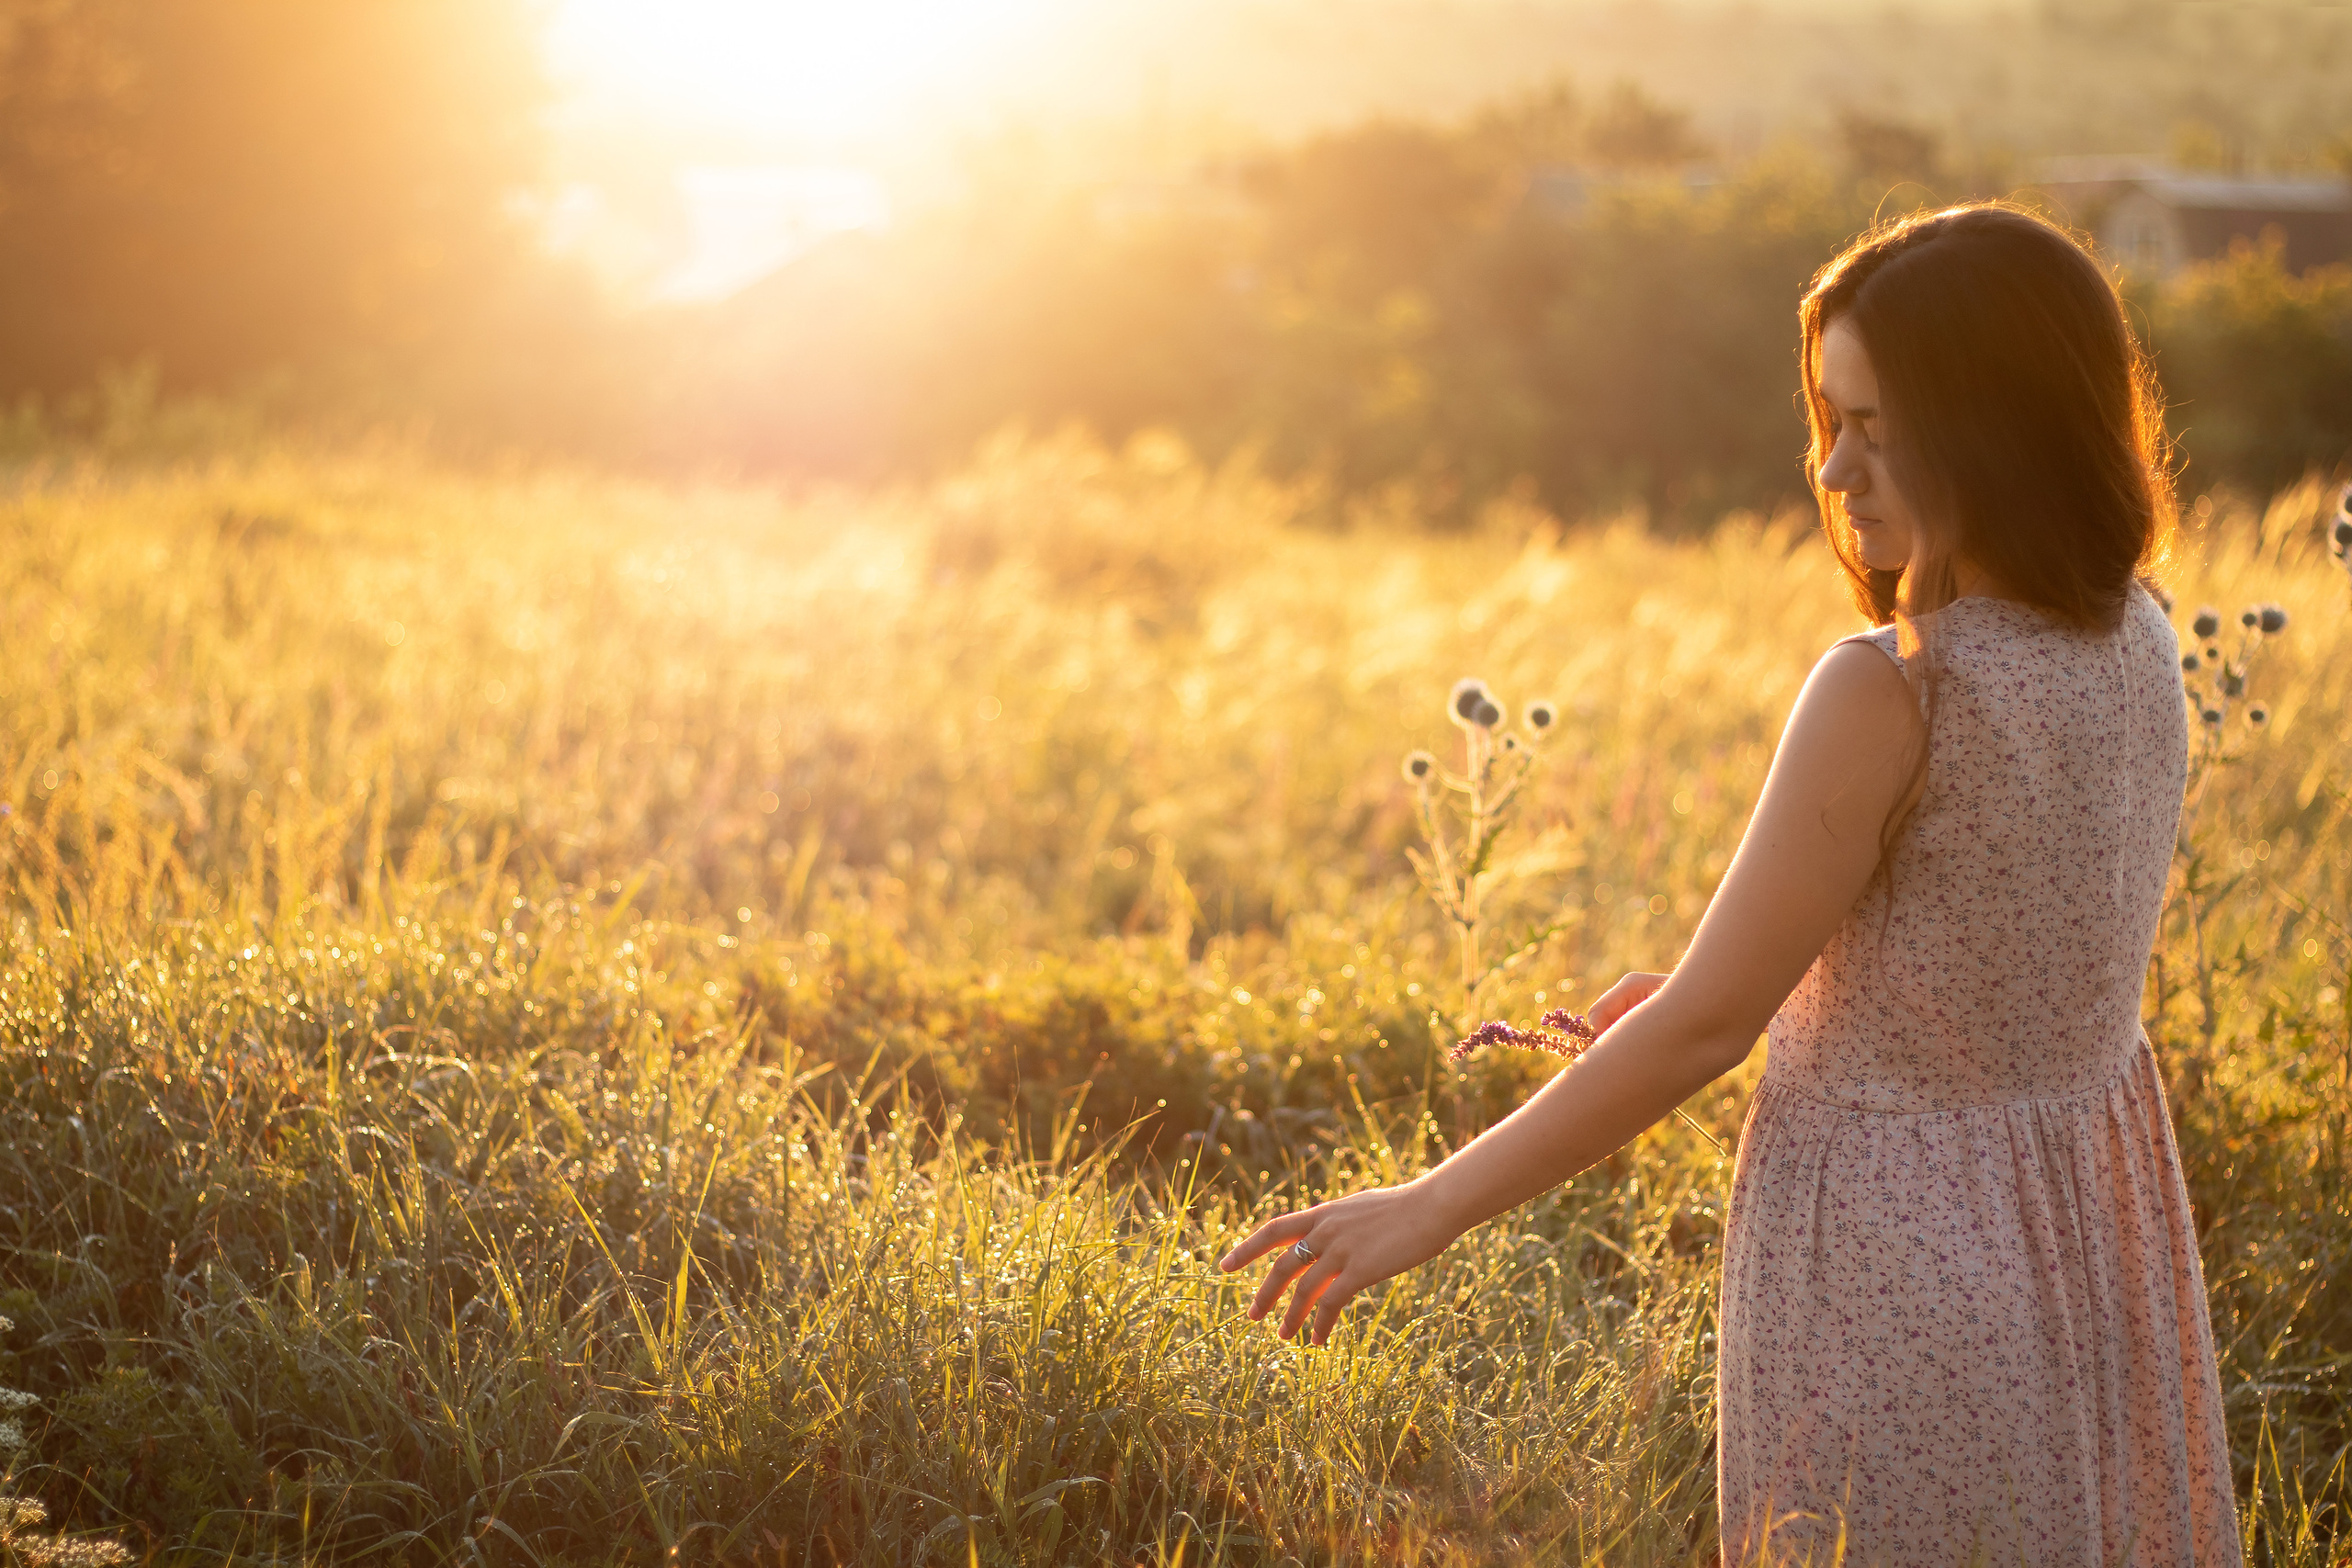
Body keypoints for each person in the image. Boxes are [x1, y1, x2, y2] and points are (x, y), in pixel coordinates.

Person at [1218, 202, 2239, 1566]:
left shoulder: (1889, 688)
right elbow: (2009, 948)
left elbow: (1704, 1027)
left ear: (2001, 425)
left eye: (1879, 428)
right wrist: (1809, 989)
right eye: (1830, 418)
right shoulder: (2138, 637)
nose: (1833, 468)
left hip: (1895, 1262)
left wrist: (1423, 1209)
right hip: (2089, 1234)